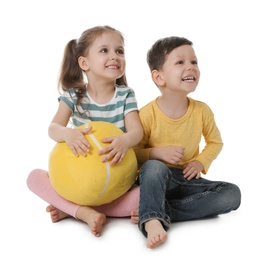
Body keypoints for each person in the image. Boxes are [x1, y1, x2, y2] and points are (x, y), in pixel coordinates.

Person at [27, 25, 143, 237]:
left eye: (120, 51)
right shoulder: (73, 96)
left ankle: (73, 210)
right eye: (104, 50)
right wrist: (68, 134)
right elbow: (53, 128)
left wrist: (124, 141)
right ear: (84, 63)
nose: (115, 56)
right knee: (33, 178)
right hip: (78, 178)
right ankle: (83, 211)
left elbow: (137, 132)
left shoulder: (125, 95)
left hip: (115, 180)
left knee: (145, 195)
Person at [133, 36, 241, 249]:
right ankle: (152, 219)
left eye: (194, 62)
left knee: (232, 194)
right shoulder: (146, 115)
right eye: (180, 62)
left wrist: (200, 162)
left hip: (186, 179)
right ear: (158, 77)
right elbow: (133, 153)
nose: (191, 67)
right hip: (155, 180)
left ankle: (157, 212)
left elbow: (215, 142)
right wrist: (157, 153)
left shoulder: (202, 110)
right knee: (153, 167)